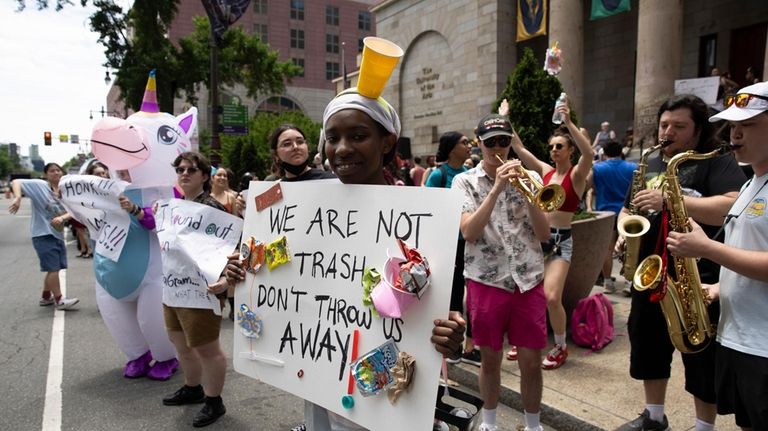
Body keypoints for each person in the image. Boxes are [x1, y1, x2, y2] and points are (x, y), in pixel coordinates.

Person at [226, 87, 466, 431]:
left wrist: (449, 336)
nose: (341, 148)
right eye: (332, 137)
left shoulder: (420, 215)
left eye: (358, 136)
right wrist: (244, 270)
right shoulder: (301, 208)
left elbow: (438, 307)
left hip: (385, 400)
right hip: (321, 380)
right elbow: (279, 279)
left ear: (387, 142)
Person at [616, 94, 747, 431]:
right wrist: (622, 230)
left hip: (696, 273)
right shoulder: (653, 160)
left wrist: (674, 200)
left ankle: (704, 426)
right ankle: (654, 416)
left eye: (678, 126)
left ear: (697, 129)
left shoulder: (717, 159)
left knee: (700, 354)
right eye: (664, 125)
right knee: (646, 343)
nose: (667, 132)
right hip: (651, 269)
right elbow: (628, 209)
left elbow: (730, 205)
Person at [666, 81, 768, 430]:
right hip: (739, 338)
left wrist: (707, 248)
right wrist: (719, 288)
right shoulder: (751, 181)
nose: (734, 135)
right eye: (732, 126)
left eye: (747, 125)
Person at [452, 113, 550, 431]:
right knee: (490, 359)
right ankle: (490, 423)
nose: (498, 148)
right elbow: (469, 231)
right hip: (486, 280)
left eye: (503, 142)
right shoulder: (464, 181)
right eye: (490, 142)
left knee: (532, 363)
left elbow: (544, 233)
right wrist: (496, 189)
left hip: (528, 279)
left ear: (511, 143)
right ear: (478, 144)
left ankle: (533, 425)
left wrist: (529, 192)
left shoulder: (529, 178)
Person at [508, 97, 594, 370]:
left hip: (560, 242)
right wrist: (507, 119)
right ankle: (523, 338)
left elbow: (589, 154)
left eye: (560, 146)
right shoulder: (545, 171)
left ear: (569, 150)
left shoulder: (577, 176)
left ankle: (560, 346)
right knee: (522, 291)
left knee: (552, 297)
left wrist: (568, 123)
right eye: (552, 147)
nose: (554, 150)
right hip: (536, 240)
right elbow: (519, 148)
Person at [162, 152, 231, 428]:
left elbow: (229, 248)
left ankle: (214, 401)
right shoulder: (174, 208)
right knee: (180, 344)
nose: (185, 173)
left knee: (207, 349)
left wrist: (225, 281)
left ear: (204, 176)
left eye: (192, 169)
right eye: (180, 169)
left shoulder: (211, 208)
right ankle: (193, 388)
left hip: (201, 291)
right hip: (173, 289)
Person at [426, 131, 478, 366]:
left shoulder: (469, 174)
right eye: (464, 142)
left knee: (474, 292)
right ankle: (454, 343)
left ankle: (472, 345)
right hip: (449, 244)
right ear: (450, 148)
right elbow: (426, 208)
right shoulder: (439, 174)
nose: (469, 145)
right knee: (455, 292)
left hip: (471, 241)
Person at [8, 163, 79, 310]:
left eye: (58, 170)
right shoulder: (39, 186)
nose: (56, 173)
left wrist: (63, 218)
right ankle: (59, 300)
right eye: (52, 171)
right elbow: (16, 182)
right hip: (42, 234)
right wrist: (18, 197)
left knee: (55, 268)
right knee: (53, 268)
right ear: (46, 175)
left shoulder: (67, 191)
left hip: (58, 234)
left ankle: (46, 297)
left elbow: (74, 211)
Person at [585, 140, 637, 293]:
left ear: (605, 152)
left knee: (606, 249)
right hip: (628, 212)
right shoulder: (634, 167)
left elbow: (588, 187)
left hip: (605, 213)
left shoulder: (597, 168)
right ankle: (628, 283)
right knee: (629, 248)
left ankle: (608, 282)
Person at [210, 166, 241, 321]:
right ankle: (217, 308)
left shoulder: (231, 198)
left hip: (229, 244)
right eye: (219, 175)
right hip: (212, 245)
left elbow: (236, 219)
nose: (222, 178)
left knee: (229, 277)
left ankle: (232, 308)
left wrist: (236, 244)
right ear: (212, 179)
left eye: (225, 176)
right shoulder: (207, 198)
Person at [270, 124, 336, 182]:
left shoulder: (331, 181)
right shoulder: (275, 191)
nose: (295, 147)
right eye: (287, 144)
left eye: (300, 142)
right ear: (276, 154)